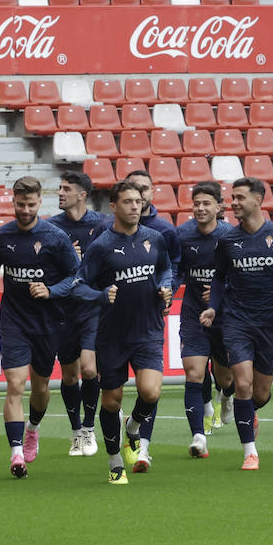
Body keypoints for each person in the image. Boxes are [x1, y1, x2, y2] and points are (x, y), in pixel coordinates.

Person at [202, 177, 273, 470]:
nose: (233, 202)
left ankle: (251, 411)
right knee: (244, 385)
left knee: (260, 393)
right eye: (232, 197)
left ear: (258, 200)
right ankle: (250, 452)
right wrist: (213, 308)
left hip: (269, 323)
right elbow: (220, 277)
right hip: (236, 322)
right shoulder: (227, 240)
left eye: (239, 197)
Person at [0, 177, 81, 479]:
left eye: (31, 204)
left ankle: (33, 429)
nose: (25, 210)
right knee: (15, 384)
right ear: (13, 201)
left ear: (40, 203)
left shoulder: (56, 237)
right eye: (20, 204)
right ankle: (15, 453)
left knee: (40, 388)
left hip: (48, 322)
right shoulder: (1, 236)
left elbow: (75, 275)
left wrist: (50, 290)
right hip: (13, 320)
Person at [76, 180, 173, 484]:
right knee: (111, 401)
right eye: (128, 201)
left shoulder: (155, 239)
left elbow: (165, 269)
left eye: (138, 201)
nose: (135, 206)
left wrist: (165, 287)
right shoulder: (101, 246)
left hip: (148, 330)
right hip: (112, 335)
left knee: (151, 391)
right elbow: (79, 286)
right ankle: (114, 460)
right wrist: (101, 296)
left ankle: (133, 427)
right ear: (114, 206)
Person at [49, 170, 111, 457]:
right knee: (70, 375)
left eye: (66, 188)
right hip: (62, 310)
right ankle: (76, 431)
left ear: (82, 194)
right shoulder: (51, 228)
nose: (61, 193)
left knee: (89, 368)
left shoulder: (103, 225)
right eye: (60, 188)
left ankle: (88, 428)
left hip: (92, 308)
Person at [175, 180, 238, 459]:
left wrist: (221, 291)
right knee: (194, 372)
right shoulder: (181, 236)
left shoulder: (231, 237)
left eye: (206, 203)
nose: (200, 208)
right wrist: (167, 289)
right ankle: (198, 437)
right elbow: (176, 270)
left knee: (224, 376)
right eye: (196, 203)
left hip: (225, 316)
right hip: (192, 313)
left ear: (219, 207)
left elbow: (240, 277)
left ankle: (226, 396)